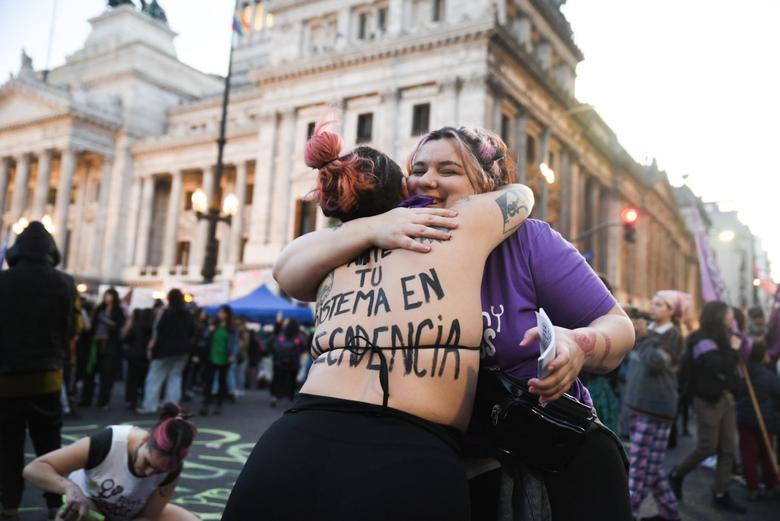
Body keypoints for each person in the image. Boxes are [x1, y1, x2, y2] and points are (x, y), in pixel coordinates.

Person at [272, 126, 636, 520]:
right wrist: (371, 228)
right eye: (418, 169)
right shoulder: (396, 237)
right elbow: (291, 272)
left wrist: (578, 344)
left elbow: (617, 326)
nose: (426, 180)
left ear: (487, 183)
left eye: (448, 170)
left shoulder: (528, 241)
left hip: (547, 460)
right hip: (434, 465)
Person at [221, 122, 534, 521]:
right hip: (409, 456)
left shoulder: (329, 254)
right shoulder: (458, 226)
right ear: (404, 191)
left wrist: (367, 228)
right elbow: (520, 196)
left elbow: (284, 271)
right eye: (417, 173)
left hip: (294, 441)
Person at [0, 222, 75, 520]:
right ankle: (55, 502)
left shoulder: (3, 281)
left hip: (6, 380)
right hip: (47, 377)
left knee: (8, 445)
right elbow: (71, 329)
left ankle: (9, 504)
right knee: (49, 445)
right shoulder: (65, 283)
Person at [23, 403, 198, 521]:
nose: (149, 473)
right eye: (147, 463)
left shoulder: (172, 469)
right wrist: (70, 488)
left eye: (159, 471)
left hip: (130, 515)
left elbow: (148, 516)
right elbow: (34, 469)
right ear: (145, 440)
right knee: (76, 513)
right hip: (88, 508)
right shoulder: (108, 442)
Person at [670, 301, 745, 513]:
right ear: (718, 315)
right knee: (708, 447)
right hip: (708, 401)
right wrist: (733, 350)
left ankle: (721, 492)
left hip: (727, 399)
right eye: (728, 313)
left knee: (728, 449)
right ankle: (677, 474)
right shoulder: (702, 340)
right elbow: (719, 366)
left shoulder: (725, 337)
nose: (732, 316)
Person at [623, 290, 689, 521]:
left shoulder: (674, 336)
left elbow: (656, 362)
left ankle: (629, 512)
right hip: (637, 404)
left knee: (640, 465)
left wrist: (642, 338)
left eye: (660, 304)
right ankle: (669, 511)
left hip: (657, 408)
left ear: (672, 311)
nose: (653, 306)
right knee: (651, 465)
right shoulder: (647, 331)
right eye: (653, 302)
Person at [736, 341, 780, 500]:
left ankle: (753, 487)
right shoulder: (769, 376)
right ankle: (771, 484)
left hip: (744, 419)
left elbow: (736, 391)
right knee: (767, 452)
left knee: (748, 454)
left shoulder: (742, 373)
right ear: (762, 356)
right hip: (764, 420)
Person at [139, 290, 195, 414]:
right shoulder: (188, 314)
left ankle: (150, 405)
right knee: (175, 377)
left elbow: (157, 331)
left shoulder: (165, 313)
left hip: (163, 351)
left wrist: (151, 347)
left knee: (155, 378)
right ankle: (172, 406)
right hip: (182, 350)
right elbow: (193, 332)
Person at [80, 288, 126, 410]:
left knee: (106, 374)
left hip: (109, 344)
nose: (107, 297)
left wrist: (106, 321)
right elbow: (91, 325)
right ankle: (86, 398)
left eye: (109, 295)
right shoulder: (99, 309)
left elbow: (118, 327)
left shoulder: (118, 311)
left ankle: (103, 401)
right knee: (90, 372)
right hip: (95, 342)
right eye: (106, 295)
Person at [199, 305, 238, 416]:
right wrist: (209, 330)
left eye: (223, 313)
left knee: (222, 381)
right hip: (211, 356)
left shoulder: (231, 329)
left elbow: (235, 344)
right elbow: (204, 337)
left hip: (224, 357)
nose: (220, 314)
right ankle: (206, 404)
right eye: (219, 312)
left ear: (228, 315)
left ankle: (219, 404)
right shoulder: (213, 325)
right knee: (208, 381)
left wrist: (233, 355)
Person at [267, 318, 305, 407]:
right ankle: (290, 397)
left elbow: (274, 346)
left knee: (277, 379)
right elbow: (304, 346)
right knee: (292, 380)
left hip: (280, 362)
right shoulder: (299, 336)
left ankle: (274, 396)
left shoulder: (281, 335)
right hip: (293, 362)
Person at [123, 308, 154, 411]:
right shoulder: (152, 327)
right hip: (146, 356)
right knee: (145, 379)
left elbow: (126, 339)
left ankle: (131, 400)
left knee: (132, 380)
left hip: (134, 355)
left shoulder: (135, 326)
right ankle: (145, 399)